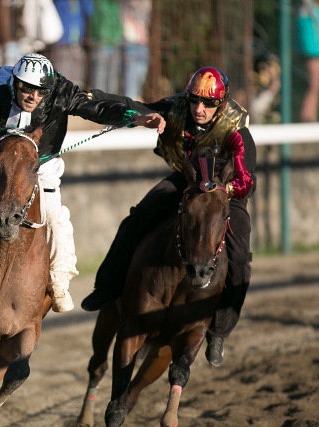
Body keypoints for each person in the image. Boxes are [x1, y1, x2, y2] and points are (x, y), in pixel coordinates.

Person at [0, 52, 165, 320]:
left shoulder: (61, 90)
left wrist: (136, 117)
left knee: (57, 219)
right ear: (14, 81)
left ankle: (59, 284)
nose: (32, 96)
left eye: (40, 91)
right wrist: (6, 165)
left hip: (41, 169)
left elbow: (97, 108)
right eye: (26, 88)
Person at [81, 66, 256, 368]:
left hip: (222, 193)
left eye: (209, 104)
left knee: (239, 255)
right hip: (185, 182)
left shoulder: (237, 130)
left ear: (222, 103)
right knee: (137, 219)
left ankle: (218, 330)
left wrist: (220, 190)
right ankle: (108, 287)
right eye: (194, 101)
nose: (199, 109)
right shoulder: (174, 108)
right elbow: (131, 106)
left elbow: (246, 181)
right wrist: (87, 98)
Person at [297, 0, 319, 122]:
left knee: (315, 85)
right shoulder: (307, 6)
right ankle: (308, 118)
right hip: (313, 51)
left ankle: (311, 117)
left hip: (314, 50)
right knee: (314, 84)